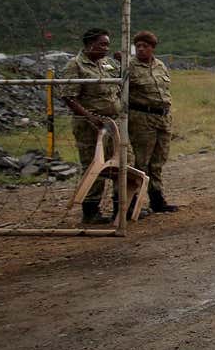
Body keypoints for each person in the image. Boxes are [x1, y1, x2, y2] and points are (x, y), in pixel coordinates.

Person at [59, 28, 131, 224]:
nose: (106, 48)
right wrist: (90, 117)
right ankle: (91, 211)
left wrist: (122, 61)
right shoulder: (75, 65)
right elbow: (69, 97)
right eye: (102, 44)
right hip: (91, 126)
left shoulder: (106, 63)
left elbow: (124, 79)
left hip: (113, 122)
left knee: (123, 163)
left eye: (107, 44)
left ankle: (120, 207)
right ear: (90, 44)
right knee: (94, 166)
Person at [127, 30, 178, 213]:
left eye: (145, 46)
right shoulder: (129, 67)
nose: (141, 49)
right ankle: (132, 204)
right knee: (141, 162)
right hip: (142, 118)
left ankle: (157, 199)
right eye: (138, 46)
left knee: (158, 161)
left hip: (162, 117)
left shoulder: (160, 66)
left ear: (153, 48)